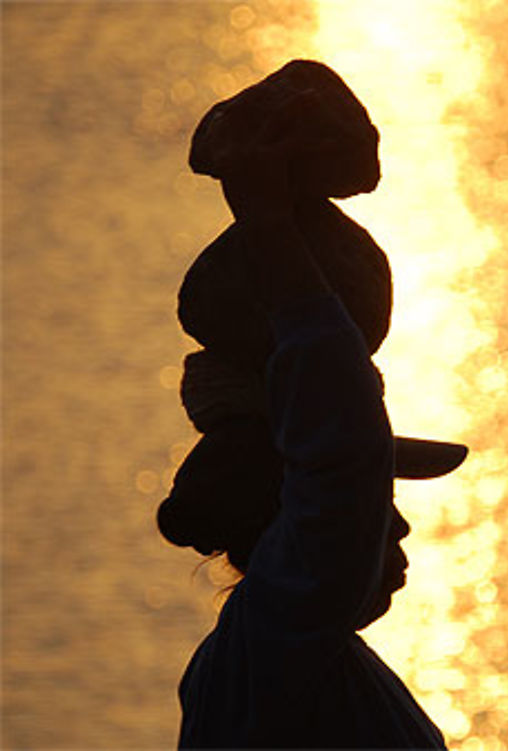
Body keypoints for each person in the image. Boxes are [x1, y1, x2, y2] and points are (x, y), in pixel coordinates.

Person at [157, 73, 463, 748]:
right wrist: (269, 232)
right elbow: (340, 457)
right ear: (293, 513)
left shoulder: (296, 656)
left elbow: (341, 456)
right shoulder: (276, 639)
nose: (400, 524)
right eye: (375, 496)